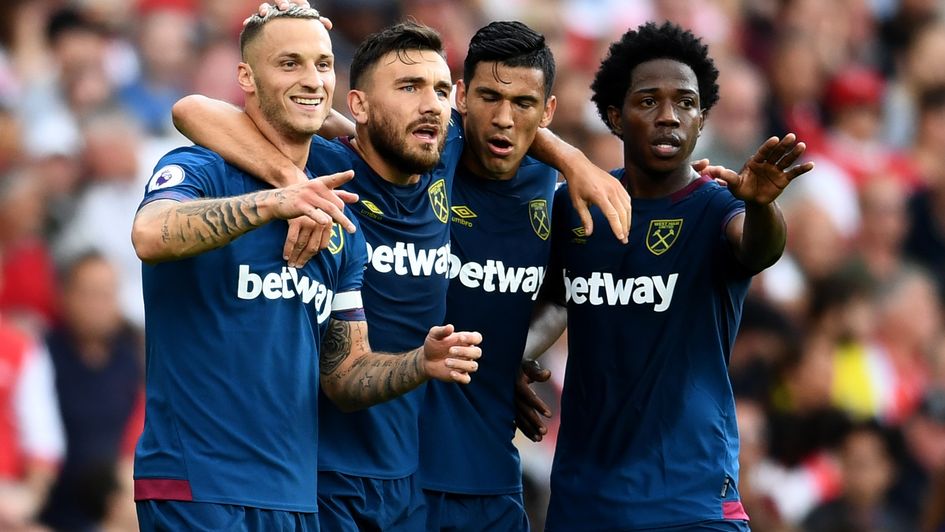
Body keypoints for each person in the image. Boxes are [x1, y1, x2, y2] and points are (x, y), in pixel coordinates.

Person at [171, 7, 631, 530]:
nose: (430, 106)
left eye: (437, 90)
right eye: (411, 87)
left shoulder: (453, 159)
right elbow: (192, 110)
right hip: (335, 471)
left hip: (445, 476)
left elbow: (508, 121)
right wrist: (291, 181)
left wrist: (574, 162)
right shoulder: (332, 167)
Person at [131, 7, 481, 531]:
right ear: (245, 77)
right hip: (197, 485)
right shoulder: (203, 169)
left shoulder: (340, 222)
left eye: (321, 64)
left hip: (297, 497)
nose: (311, 79)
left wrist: (420, 363)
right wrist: (276, 201)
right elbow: (150, 233)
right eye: (289, 63)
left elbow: (344, 373)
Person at [520, 21, 814, 530]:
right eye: (649, 101)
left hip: (689, 500)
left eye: (686, 103)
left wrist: (764, 207)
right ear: (614, 115)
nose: (669, 117)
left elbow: (759, 248)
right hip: (584, 498)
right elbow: (555, 299)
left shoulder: (718, 205)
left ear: (702, 120)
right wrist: (511, 360)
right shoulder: (575, 206)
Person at [417, 21, 557, 531]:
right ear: (460, 97)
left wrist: (514, 354)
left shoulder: (550, 187)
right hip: (401, 478)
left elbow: (564, 294)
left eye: (523, 103)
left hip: (495, 480)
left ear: (548, 113)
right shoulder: (425, 161)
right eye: (489, 97)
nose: (503, 118)